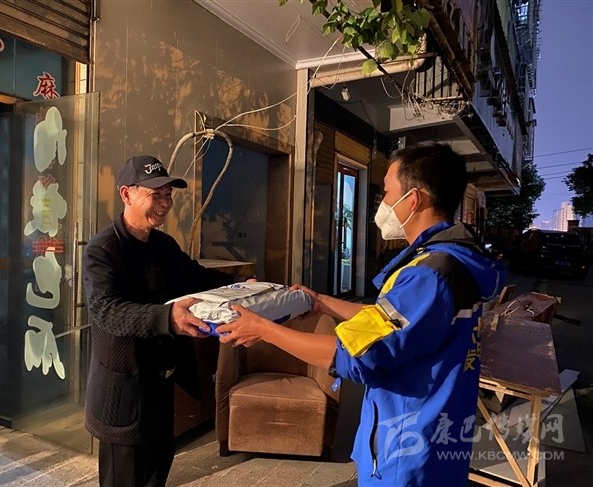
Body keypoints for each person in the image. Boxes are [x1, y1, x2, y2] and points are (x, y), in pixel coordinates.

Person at [217, 143, 506, 486]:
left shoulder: (427, 275)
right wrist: (322, 302)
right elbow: (392, 322)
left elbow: (355, 356)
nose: (383, 202)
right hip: (436, 441)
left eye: (388, 192)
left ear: (413, 200)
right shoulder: (452, 262)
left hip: (406, 452)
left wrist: (265, 330)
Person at [83, 155, 247, 487]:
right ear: (126, 194)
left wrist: (244, 286)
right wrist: (167, 317)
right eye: (155, 194)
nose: (165, 203)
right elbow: (107, 310)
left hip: (161, 382)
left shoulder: (164, 245)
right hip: (123, 388)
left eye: (168, 194)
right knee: (124, 477)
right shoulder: (103, 250)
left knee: (159, 465)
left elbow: (198, 277)